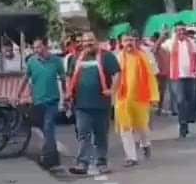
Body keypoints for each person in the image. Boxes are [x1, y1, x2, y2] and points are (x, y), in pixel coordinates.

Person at [65, 32, 119, 175]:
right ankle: (82, 163)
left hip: (101, 104)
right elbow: (69, 77)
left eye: (91, 40)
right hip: (82, 105)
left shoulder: (107, 56)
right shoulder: (76, 58)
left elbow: (117, 74)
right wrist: (68, 92)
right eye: (85, 41)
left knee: (101, 135)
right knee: (83, 134)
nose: (88, 43)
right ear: (81, 43)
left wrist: (112, 90)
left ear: (96, 41)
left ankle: (101, 163)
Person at [114, 32, 159, 167]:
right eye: (126, 40)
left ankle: (145, 144)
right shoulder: (117, 58)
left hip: (140, 98)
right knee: (125, 127)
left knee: (142, 127)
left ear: (135, 41)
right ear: (121, 43)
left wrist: (154, 96)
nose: (129, 43)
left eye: (131, 40)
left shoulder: (144, 56)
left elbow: (152, 76)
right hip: (122, 98)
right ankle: (131, 157)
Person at [21, 38, 67, 169]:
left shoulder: (56, 61)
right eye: (35, 48)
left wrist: (67, 95)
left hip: (52, 101)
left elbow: (63, 79)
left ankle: (50, 159)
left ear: (46, 47)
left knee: (48, 128)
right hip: (37, 102)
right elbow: (26, 78)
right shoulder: (32, 61)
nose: (37, 50)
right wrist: (19, 94)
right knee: (45, 130)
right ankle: (52, 156)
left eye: (39, 47)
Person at [162, 23, 196, 138]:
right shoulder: (170, 43)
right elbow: (156, 48)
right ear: (175, 32)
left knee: (190, 101)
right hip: (177, 77)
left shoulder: (191, 43)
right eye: (178, 30)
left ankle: (186, 124)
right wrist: (162, 36)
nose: (181, 32)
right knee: (181, 101)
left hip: (190, 76)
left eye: (183, 30)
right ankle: (182, 126)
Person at [154, 30, 173, 116]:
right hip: (156, 73)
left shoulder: (168, 50)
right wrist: (162, 37)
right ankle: (154, 106)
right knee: (155, 91)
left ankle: (159, 108)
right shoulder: (157, 48)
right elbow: (155, 47)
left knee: (162, 92)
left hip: (164, 74)